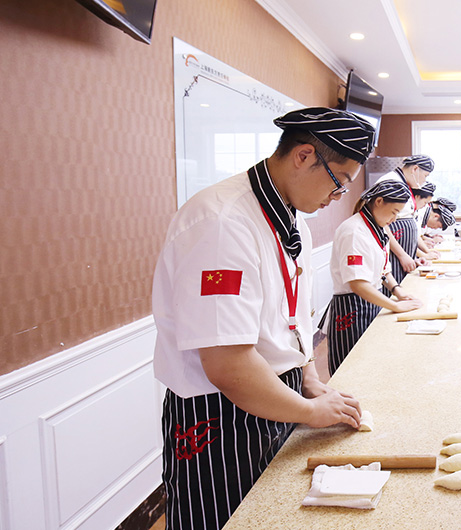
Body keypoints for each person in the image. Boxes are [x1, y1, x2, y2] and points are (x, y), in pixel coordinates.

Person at [152, 107, 372, 530]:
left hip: (277, 392)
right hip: (219, 415)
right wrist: (310, 412)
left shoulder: (291, 217)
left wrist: (308, 376)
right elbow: (228, 365)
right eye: (340, 181)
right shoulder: (222, 222)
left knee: (269, 515)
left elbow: (291, 315)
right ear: (304, 156)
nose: (338, 195)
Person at [324, 180, 425, 374]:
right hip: (351, 310)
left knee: (369, 366)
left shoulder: (377, 229)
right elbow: (358, 284)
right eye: (394, 212)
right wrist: (395, 305)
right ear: (378, 201)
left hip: (372, 302)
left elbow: (383, 271)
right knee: (350, 371)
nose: (394, 219)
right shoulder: (354, 231)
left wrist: (398, 291)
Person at [376, 155, 434, 284]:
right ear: (415, 169)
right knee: (394, 288)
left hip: (404, 254)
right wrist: (402, 255)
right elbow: (383, 225)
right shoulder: (391, 182)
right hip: (394, 254)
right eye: (425, 176)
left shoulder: (404, 184)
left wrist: (413, 256)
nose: (424, 181)